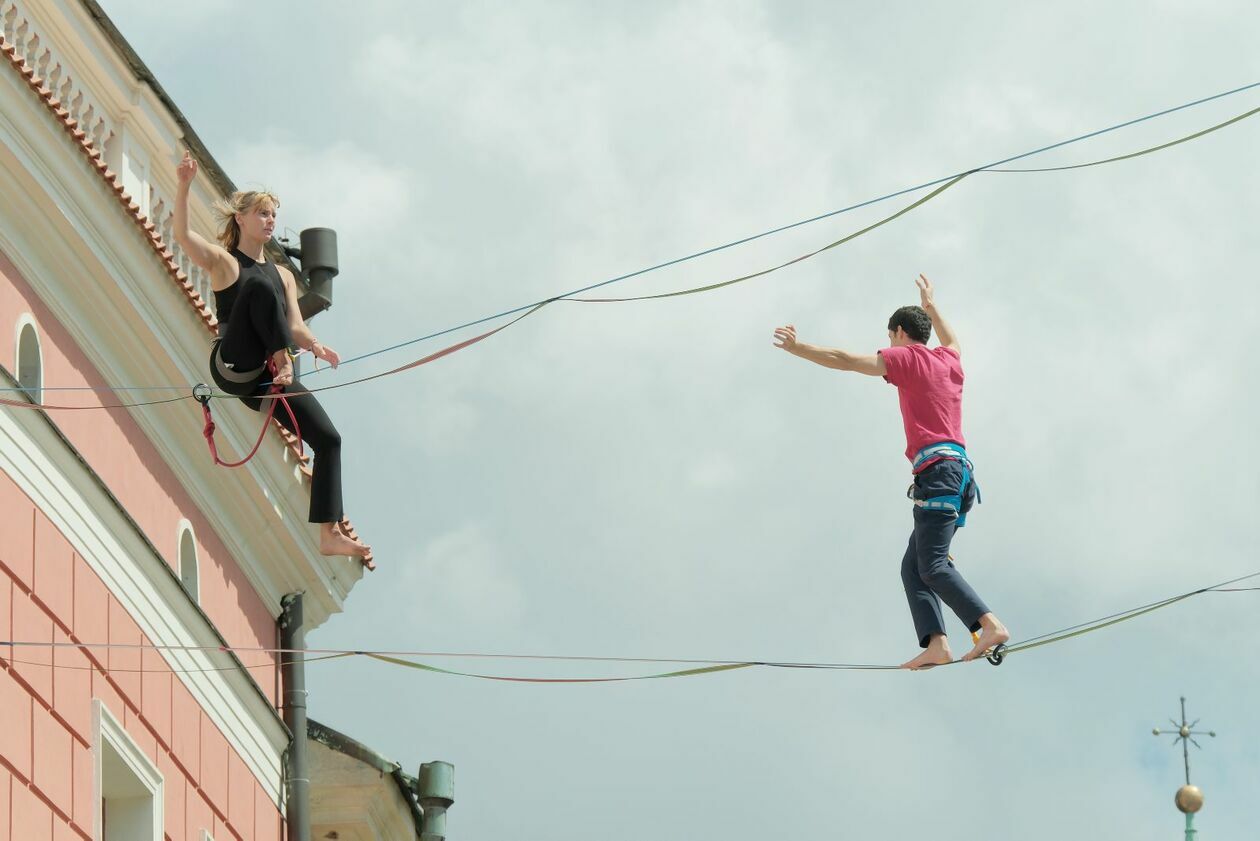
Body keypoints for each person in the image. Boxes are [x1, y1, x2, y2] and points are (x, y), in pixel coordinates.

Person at [773, 275, 1007, 669]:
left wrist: (798, 349)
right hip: (958, 475)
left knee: (931, 566)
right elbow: (953, 340)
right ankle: (937, 644)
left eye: (890, 336)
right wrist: (931, 305)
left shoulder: (907, 358)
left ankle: (989, 624)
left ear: (899, 333)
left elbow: (846, 360)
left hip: (938, 473)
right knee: (914, 565)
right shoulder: (948, 359)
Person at [173, 150, 371, 562]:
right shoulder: (226, 262)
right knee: (258, 290)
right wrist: (183, 187)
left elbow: (295, 324)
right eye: (262, 213)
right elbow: (184, 238)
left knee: (330, 439)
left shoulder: (282, 275)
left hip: (268, 377)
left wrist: (314, 345)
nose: (270, 221)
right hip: (234, 364)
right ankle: (282, 361)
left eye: (273, 215)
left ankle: (328, 533)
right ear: (241, 219)